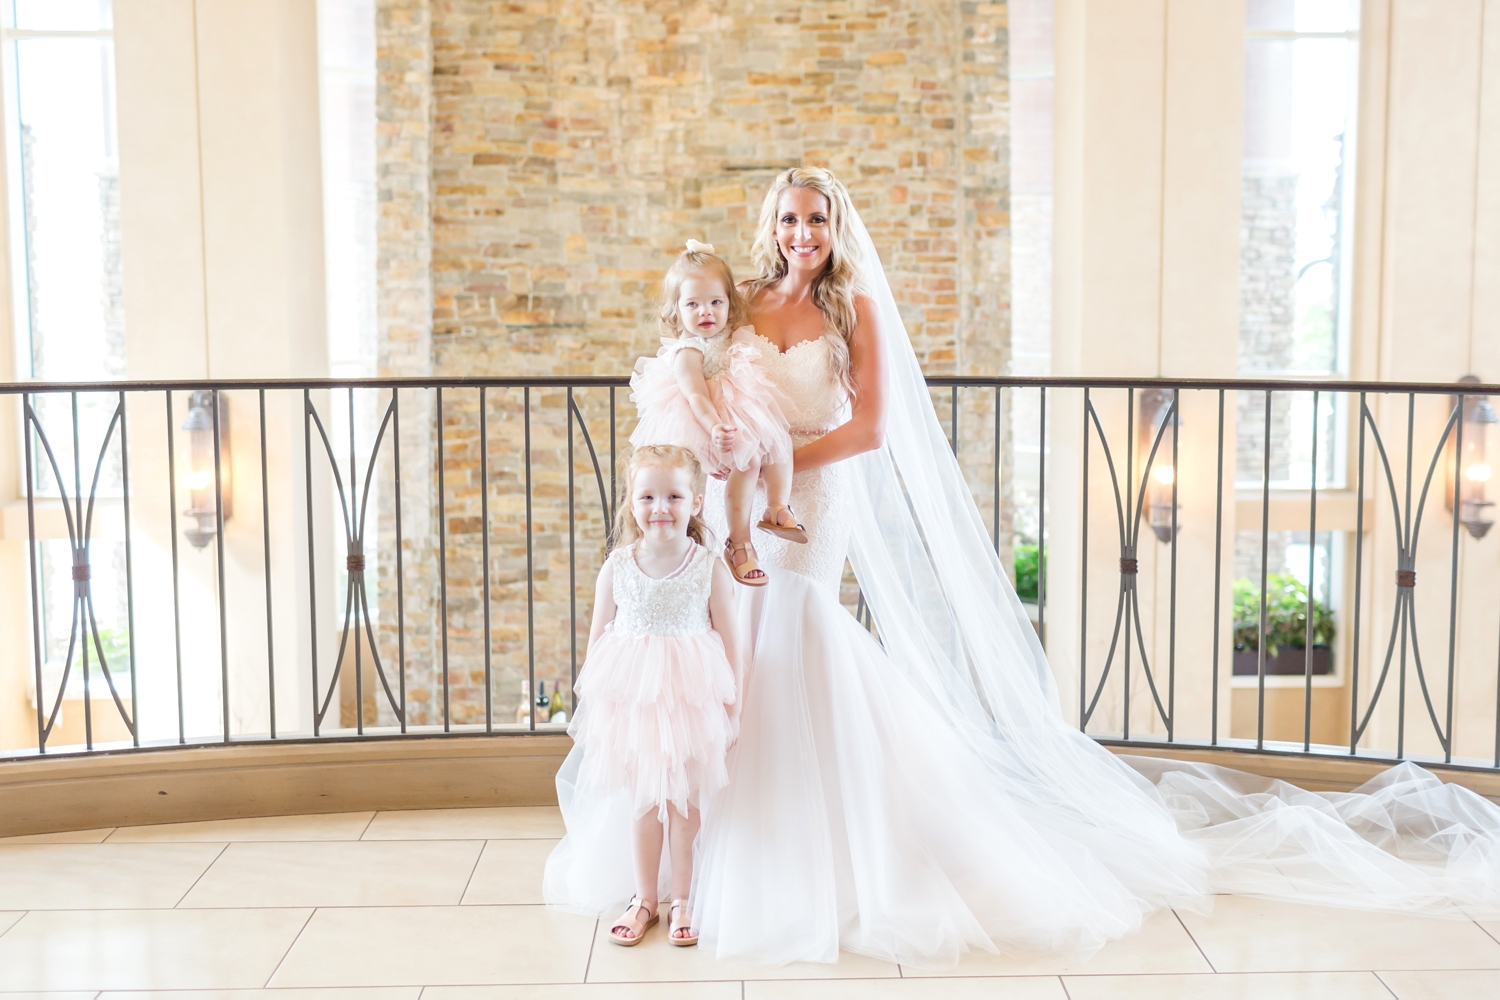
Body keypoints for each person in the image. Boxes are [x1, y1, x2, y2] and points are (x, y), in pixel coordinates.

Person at [689, 166, 1500, 969]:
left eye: (817, 221)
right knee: (745, 648)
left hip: (816, 501)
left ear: (835, 229)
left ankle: (835, 852)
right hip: (741, 500)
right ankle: (736, 834)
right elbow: (710, 379)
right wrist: (721, 455)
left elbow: (869, 429)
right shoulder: (748, 304)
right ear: (772, 224)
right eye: (791, 220)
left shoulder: (853, 308)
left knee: (798, 642)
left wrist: (778, 462)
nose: (803, 235)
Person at [543, 444, 742, 948]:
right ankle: (643, 898)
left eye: (673, 496)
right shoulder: (618, 566)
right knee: (642, 804)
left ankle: (683, 899)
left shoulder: (708, 566)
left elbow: (731, 643)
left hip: (690, 703)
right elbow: (597, 644)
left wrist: (731, 709)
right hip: (635, 707)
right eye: (647, 496)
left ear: (696, 502)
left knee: (684, 808)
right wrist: (600, 707)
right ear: (631, 503)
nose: (660, 508)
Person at [629, 240, 807, 588]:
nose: (705, 312)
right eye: (692, 304)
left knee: (777, 440)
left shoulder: (729, 335)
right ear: (676, 310)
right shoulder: (687, 351)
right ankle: (738, 542)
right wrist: (714, 428)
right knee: (748, 462)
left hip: (737, 409)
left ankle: (777, 506)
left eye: (715, 302)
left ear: (729, 303)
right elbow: (696, 396)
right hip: (706, 421)